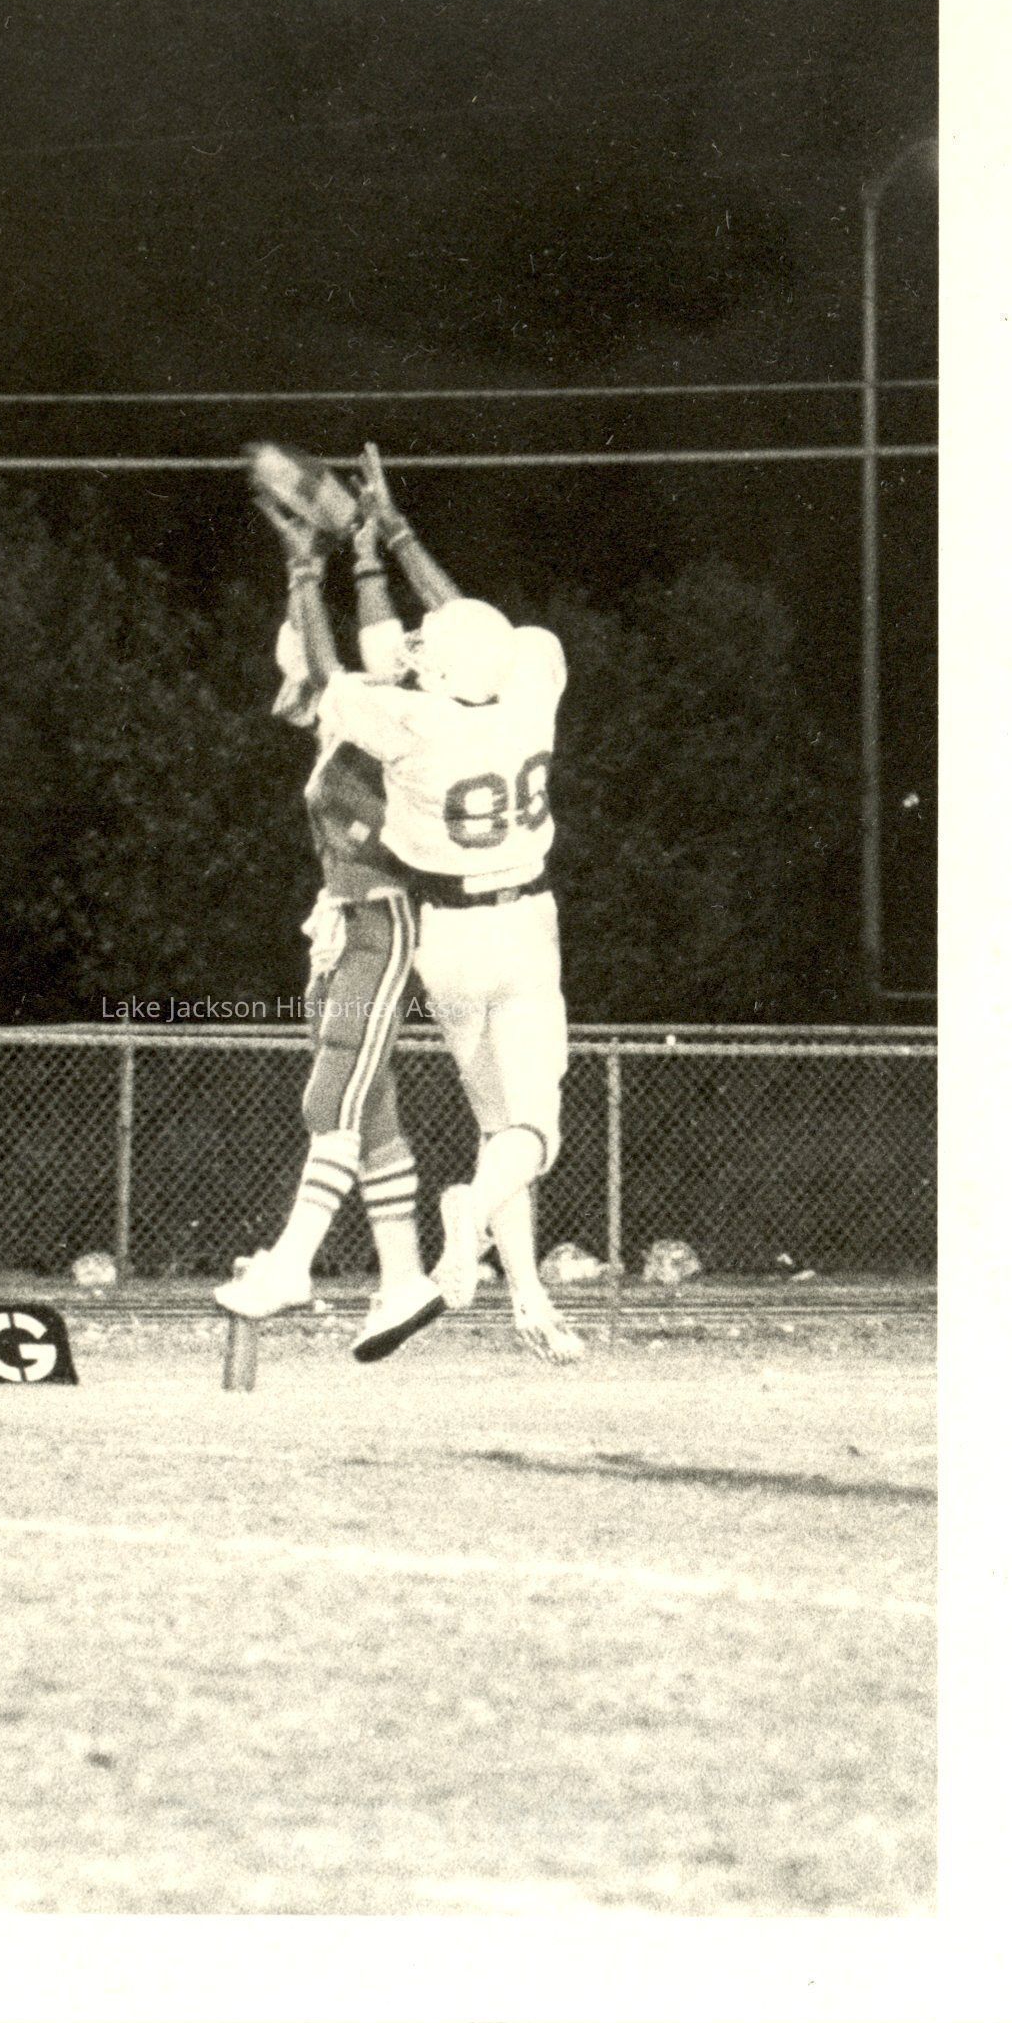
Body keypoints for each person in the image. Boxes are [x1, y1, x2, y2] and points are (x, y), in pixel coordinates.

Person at [319, 446, 585, 1364]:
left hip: (444, 937)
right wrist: (399, 535)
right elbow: (478, 633)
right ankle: (467, 1214)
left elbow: (355, 671)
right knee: (533, 1132)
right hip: (524, 926)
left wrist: (350, 563)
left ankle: (528, 1297)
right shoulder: (531, 686)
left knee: (497, 1124)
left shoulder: (417, 724)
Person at [213, 495, 444, 1363]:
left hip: (386, 920)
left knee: (332, 1095)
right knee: (370, 1110)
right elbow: (350, 656)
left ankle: (292, 1264)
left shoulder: (397, 722)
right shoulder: (364, 722)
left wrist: (307, 568)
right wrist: (364, 553)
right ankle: (404, 1278)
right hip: (347, 922)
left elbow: (334, 664)